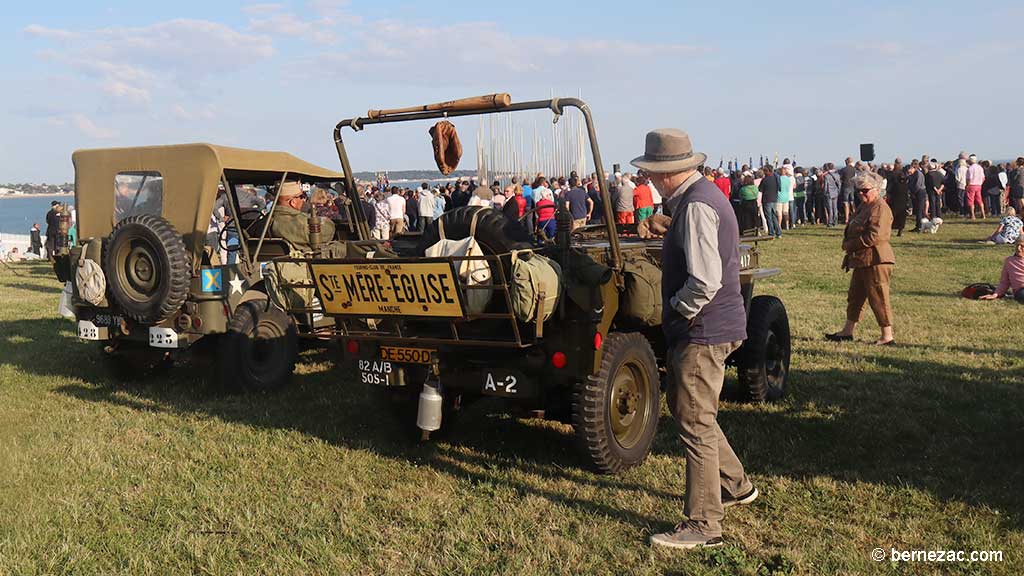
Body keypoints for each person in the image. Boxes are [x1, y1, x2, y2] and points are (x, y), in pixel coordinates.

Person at [632, 129, 754, 551]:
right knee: (695, 412)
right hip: (717, 325)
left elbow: (704, 281)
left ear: (664, 173)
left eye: (650, 172)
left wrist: (677, 313)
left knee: (694, 422)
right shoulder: (697, 200)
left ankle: (704, 524)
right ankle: (735, 485)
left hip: (702, 330)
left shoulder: (698, 206)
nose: (648, 180)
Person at [826, 171, 895, 346]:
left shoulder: (880, 207)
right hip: (862, 260)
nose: (861, 194)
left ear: (877, 189)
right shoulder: (865, 206)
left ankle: (887, 336)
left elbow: (876, 236)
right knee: (855, 296)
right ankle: (847, 332)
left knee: (878, 297)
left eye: (865, 190)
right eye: (859, 191)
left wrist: (851, 245)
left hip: (876, 260)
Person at [270, 181, 336, 252]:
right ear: (293, 202)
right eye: (301, 196)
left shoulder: (265, 221)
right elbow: (328, 229)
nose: (303, 200)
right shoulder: (301, 223)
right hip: (300, 262)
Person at [886, 159, 909, 236]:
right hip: (902, 197)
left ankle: (889, 229)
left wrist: (888, 193)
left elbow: (889, 186)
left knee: (892, 214)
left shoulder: (892, 175)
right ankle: (900, 230)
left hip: (895, 197)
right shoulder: (904, 174)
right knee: (901, 214)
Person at [758, 165, 781, 238]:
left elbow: (760, 189)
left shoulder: (765, 180)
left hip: (767, 200)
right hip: (774, 199)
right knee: (774, 216)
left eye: (765, 171)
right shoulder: (775, 178)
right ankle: (778, 232)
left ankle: (771, 232)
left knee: (769, 217)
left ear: (768, 171)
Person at [907, 161, 926, 232]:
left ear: (912, 168)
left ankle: (920, 226)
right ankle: (919, 225)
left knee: (919, 210)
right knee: (917, 210)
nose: (909, 172)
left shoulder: (918, 174)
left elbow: (917, 185)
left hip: (920, 192)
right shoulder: (912, 175)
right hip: (915, 193)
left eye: (909, 170)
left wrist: (913, 192)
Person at [965, 154, 986, 219]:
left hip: (971, 185)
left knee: (971, 200)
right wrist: (980, 183)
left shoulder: (970, 168)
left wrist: (967, 185)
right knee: (979, 200)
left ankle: (973, 215)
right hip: (979, 185)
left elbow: (969, 178)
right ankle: (983, 214)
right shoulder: (980, 167)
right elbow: (983, 178)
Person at [839, 157, 856, 223]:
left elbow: (840, 178)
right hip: (852, 186)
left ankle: (846, 218)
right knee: (852, 202)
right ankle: (854, 216)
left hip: (845, 186)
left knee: (846, 202)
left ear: (846, 162)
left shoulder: (843, 170)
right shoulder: (854, 169)